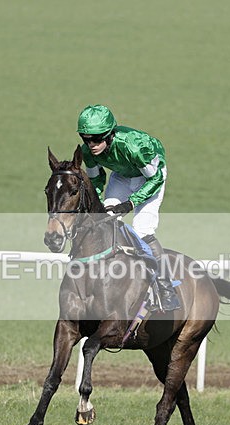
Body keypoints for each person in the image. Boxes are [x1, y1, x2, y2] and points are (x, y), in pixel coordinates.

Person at [77, 104, 181, 312]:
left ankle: (165, 287)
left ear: (109, 134)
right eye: (86, 139)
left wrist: (131, 202)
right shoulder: (87, 152)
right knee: (105, 219)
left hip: (150, 176)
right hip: (122, 176)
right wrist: (96, 205)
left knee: (143, 230)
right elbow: (96, 180)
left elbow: (156, 179)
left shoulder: (134, 147)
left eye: (97, 139)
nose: (91, 145)